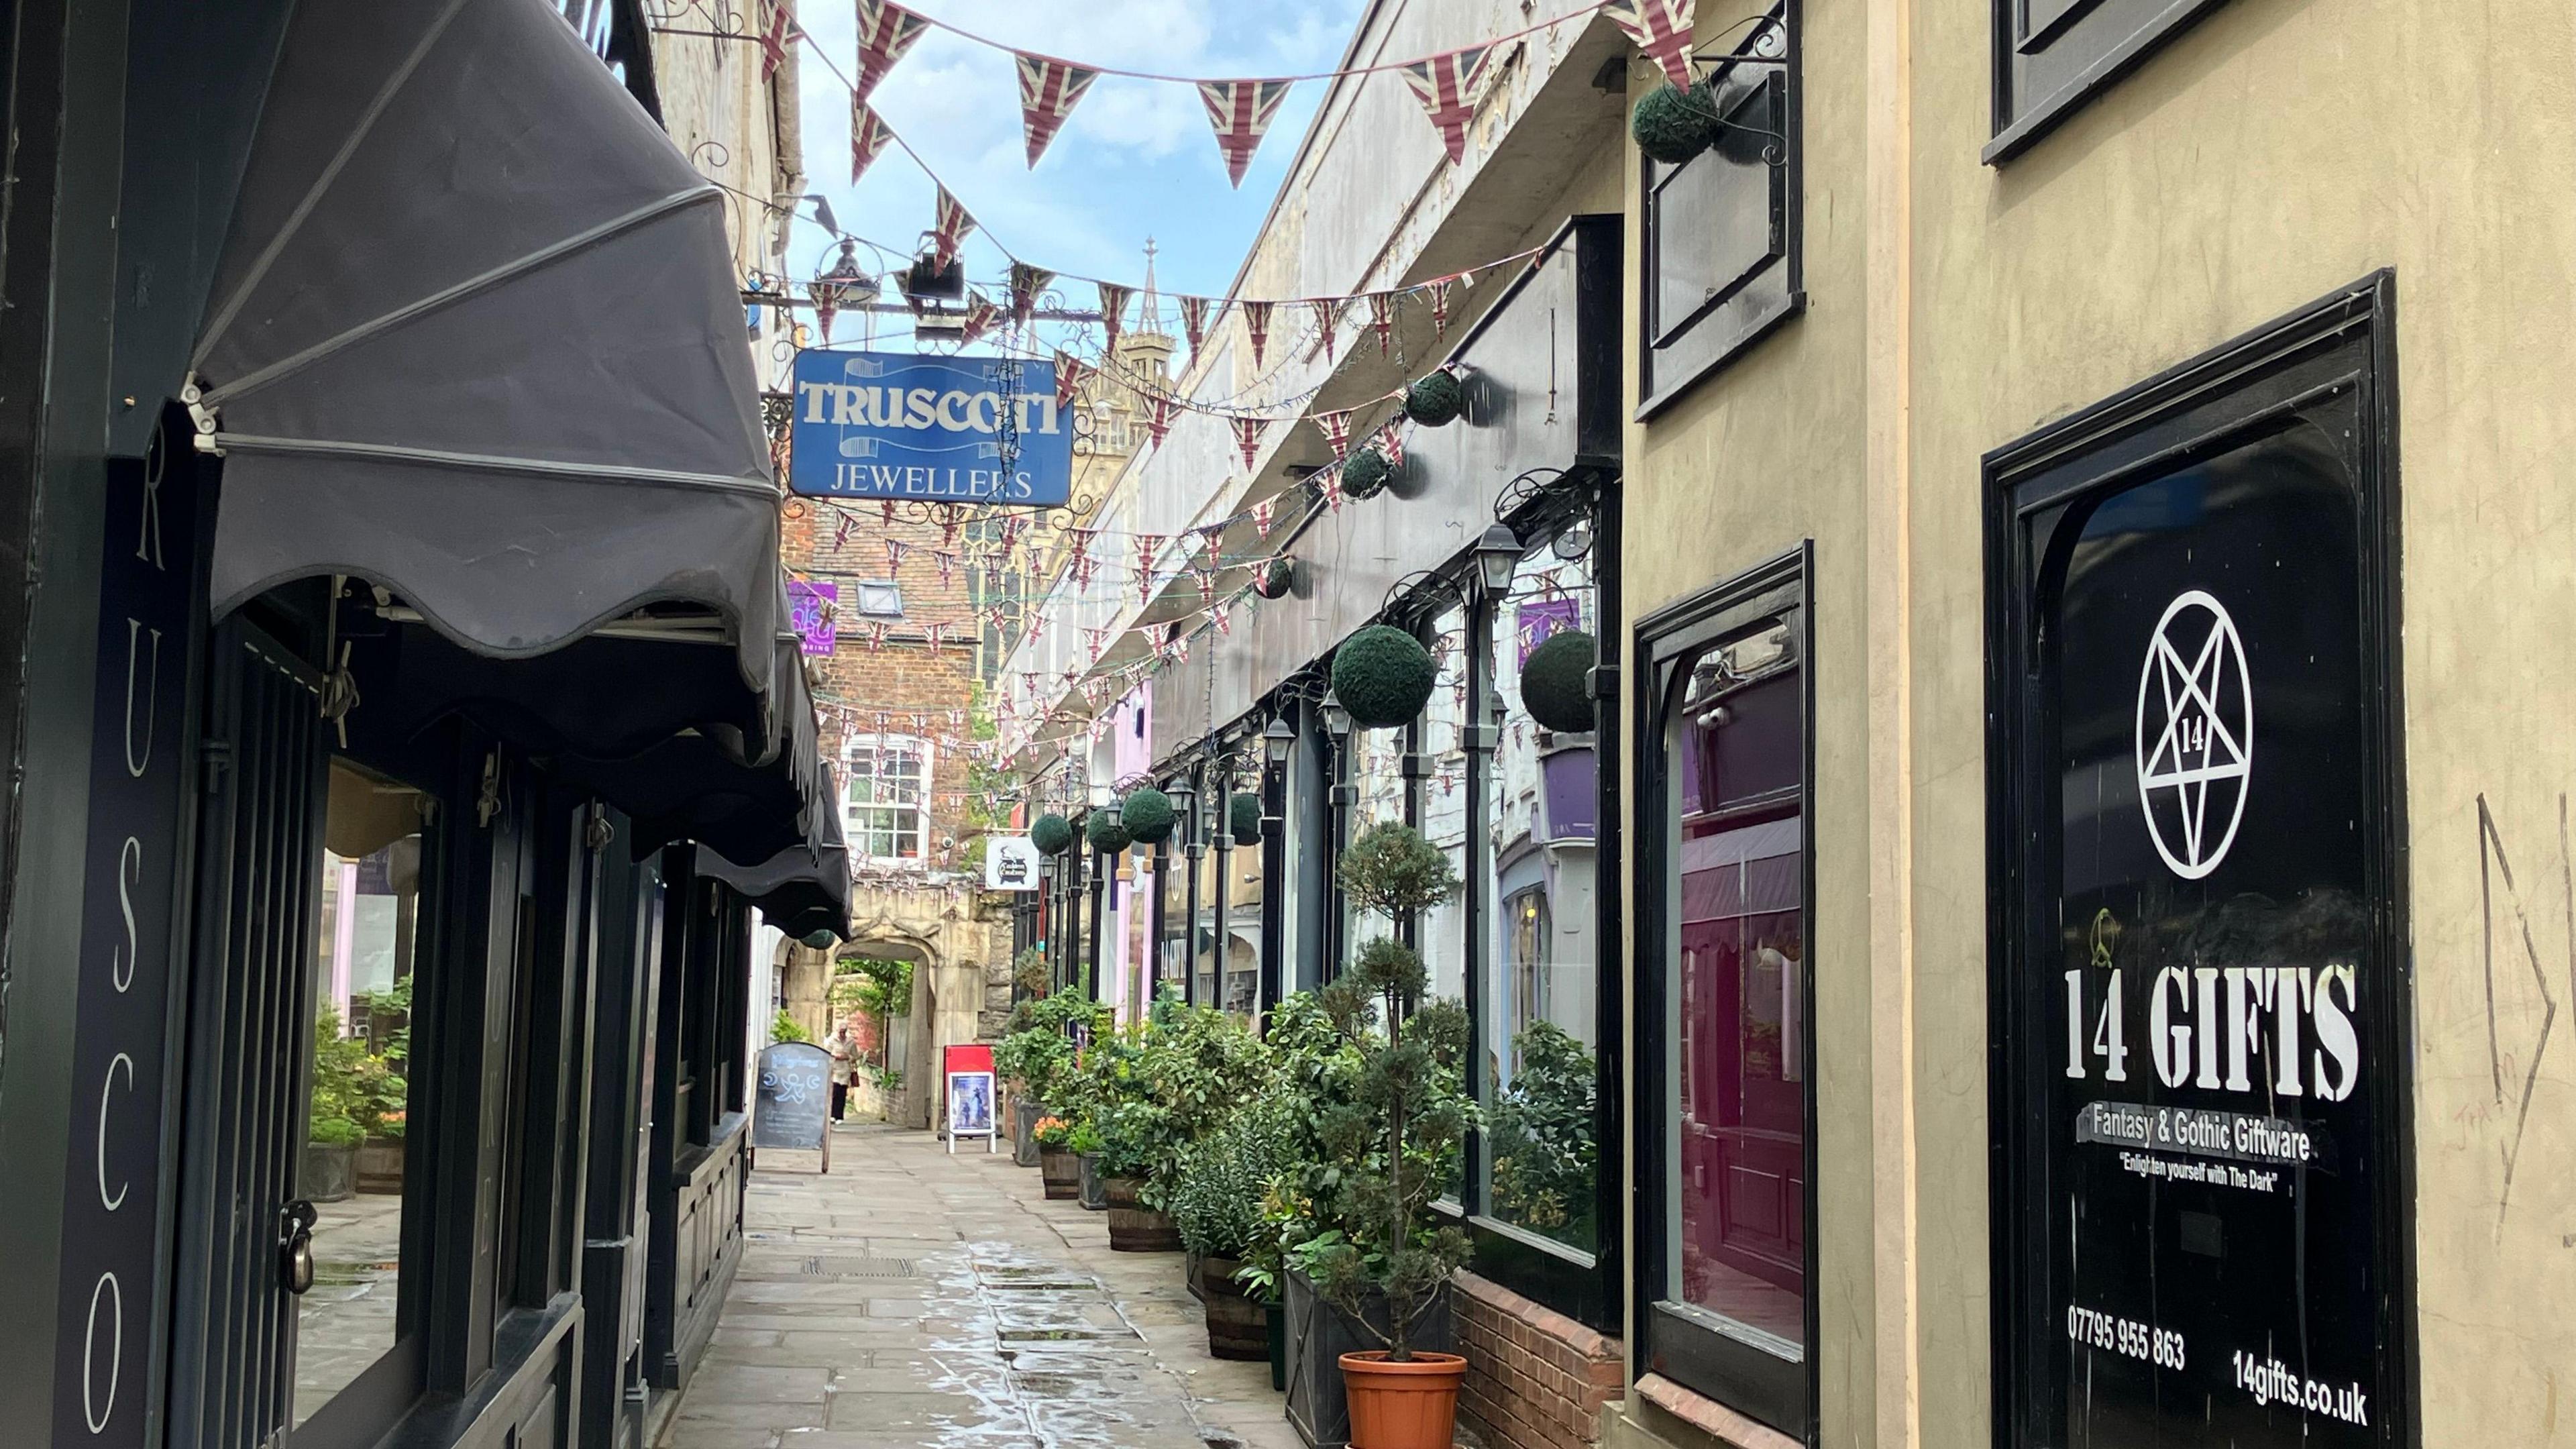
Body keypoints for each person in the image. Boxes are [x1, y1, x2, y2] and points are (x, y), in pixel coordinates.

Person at [825, 1018, 855, 1122]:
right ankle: (832, 1115)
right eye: (840, 1032)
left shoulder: (851, 1041)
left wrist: (848, 1057)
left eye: (844, 1032)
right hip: (835, 1069)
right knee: (835, 1091)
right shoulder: (831, 1040)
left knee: (842, 1093)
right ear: (837, 1031)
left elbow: (855, 1055)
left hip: (845, 1069)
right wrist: (835, 1056)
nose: (842, 1034)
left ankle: (840, 1116)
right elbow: (826, 1053)